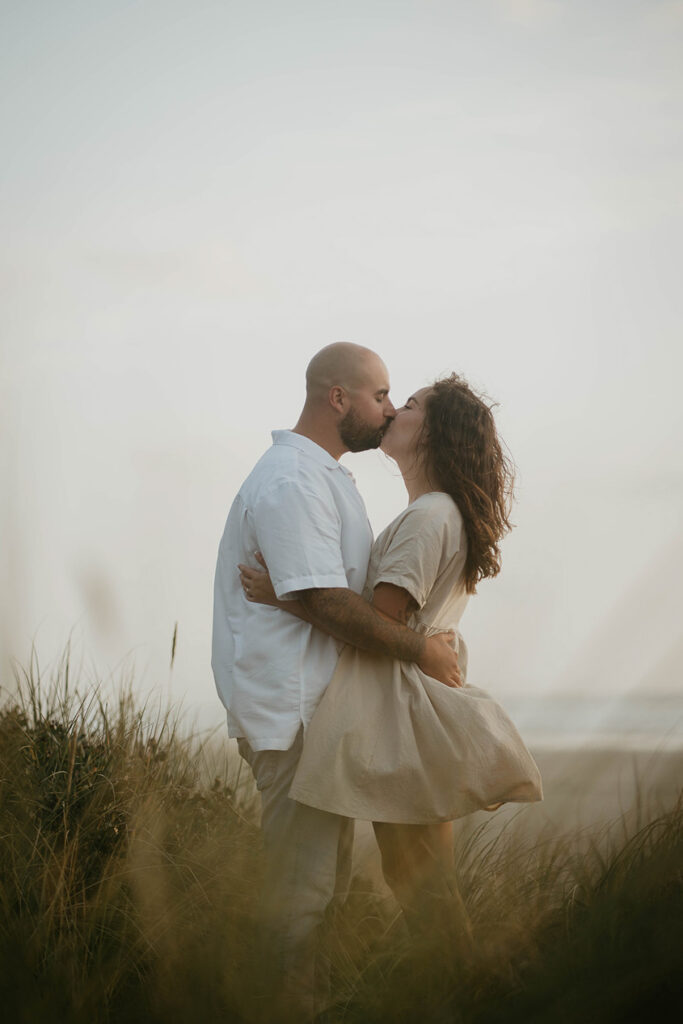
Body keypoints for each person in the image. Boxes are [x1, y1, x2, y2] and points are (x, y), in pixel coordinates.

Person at [239, 373, 543, 945]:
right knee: (421, 882)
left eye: (407, 405)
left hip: (405, 714)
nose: (392, 412)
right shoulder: (438, 513)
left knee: (425, 890)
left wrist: (288, 596)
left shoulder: (428, 517)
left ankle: (470, 996)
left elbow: (379, 626)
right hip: (410, 708)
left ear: (432, 434)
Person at [212, 343, 461, 1022]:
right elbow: (326, 601)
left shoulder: (323, 478)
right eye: (381, 395)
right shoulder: (293, 481)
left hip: (316, 715)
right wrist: (420, 652)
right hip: (289, 715)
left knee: (320, 890)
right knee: (301, 891)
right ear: (337, 398)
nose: (388, 408)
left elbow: (323, 596)